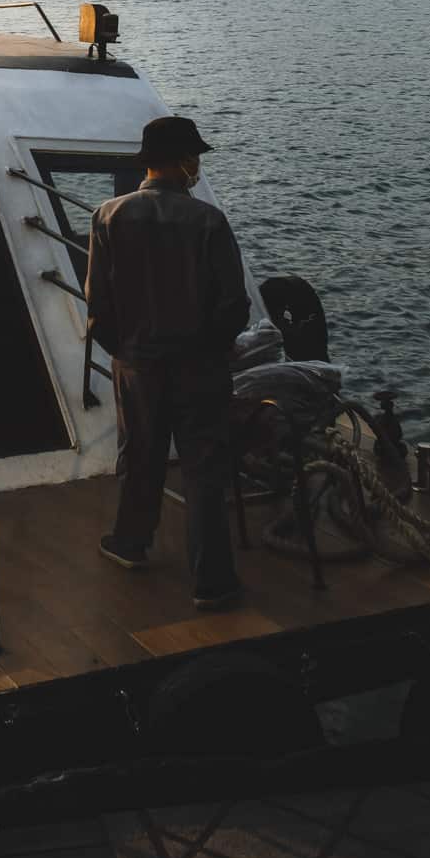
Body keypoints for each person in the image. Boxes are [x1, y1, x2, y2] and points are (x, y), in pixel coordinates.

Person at [84, 116, 250, 610]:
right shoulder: (209, 221)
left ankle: (131, 543)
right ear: (182, 162)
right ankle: (213, 583)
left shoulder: (107, 216)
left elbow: (98, 303)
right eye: (194, 156)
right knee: (203, 471)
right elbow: (234, 305)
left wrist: (124, 350)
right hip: (199, 368)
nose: (197, 164)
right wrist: (212, 350)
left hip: (137, 365)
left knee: (139, 457)